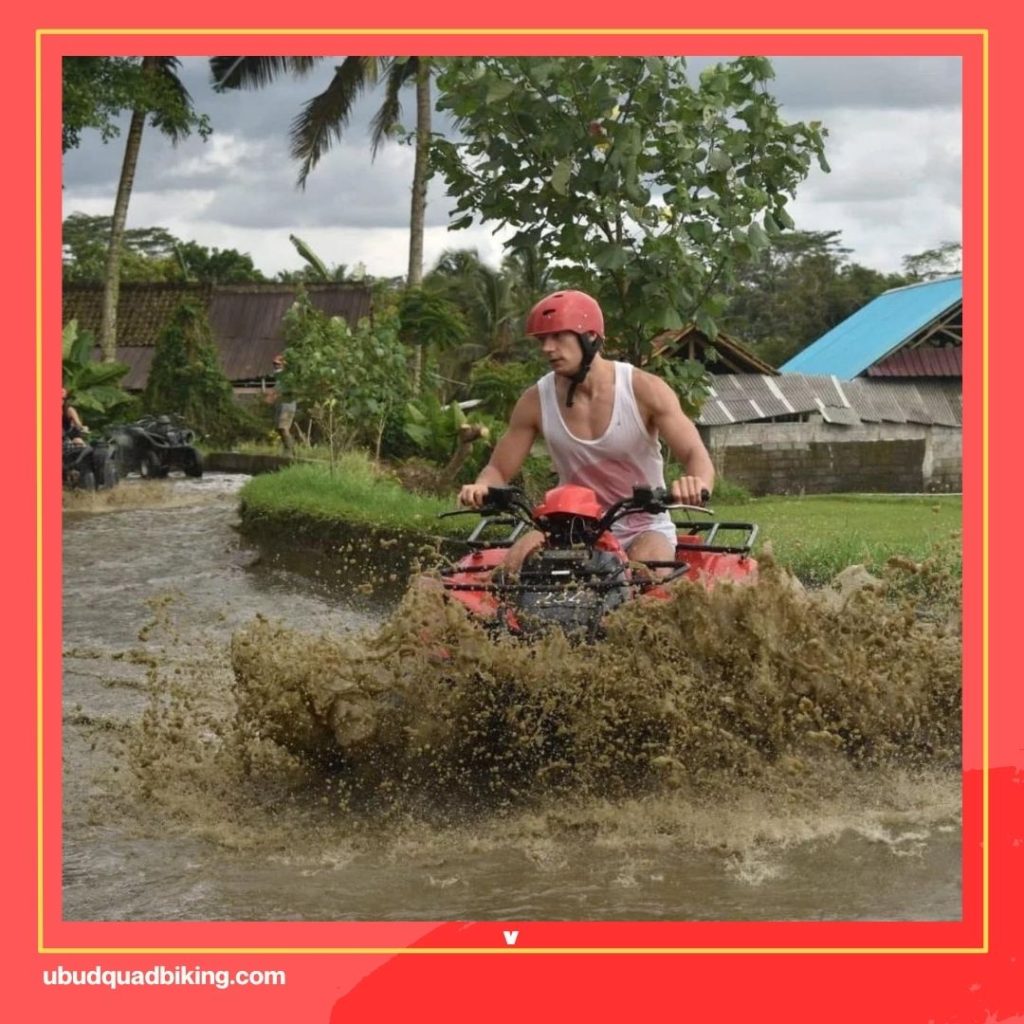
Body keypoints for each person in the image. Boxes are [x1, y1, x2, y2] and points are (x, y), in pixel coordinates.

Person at [458, 289, 715, 573]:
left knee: (650, 578)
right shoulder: (535, 401)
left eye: (558, 337)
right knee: (510, 573)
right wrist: (482, 486)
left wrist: (697, 483)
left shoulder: (643, 389)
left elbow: (695, 453)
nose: (547, 348)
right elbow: (497, 469)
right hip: (570, 527)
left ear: (590, 336)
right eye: (543, 339)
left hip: (642, 524)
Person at [268, 354, 298, 452]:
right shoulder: (279, 378)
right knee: (279, 429)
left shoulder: (289, 377)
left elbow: (290, 390)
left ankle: (290, 450)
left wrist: (276, 395)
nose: (276, 366)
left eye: (278, 364)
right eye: (275, 364)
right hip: (281, 405)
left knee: (283, 428)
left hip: (288, 405)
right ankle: (288, 448)